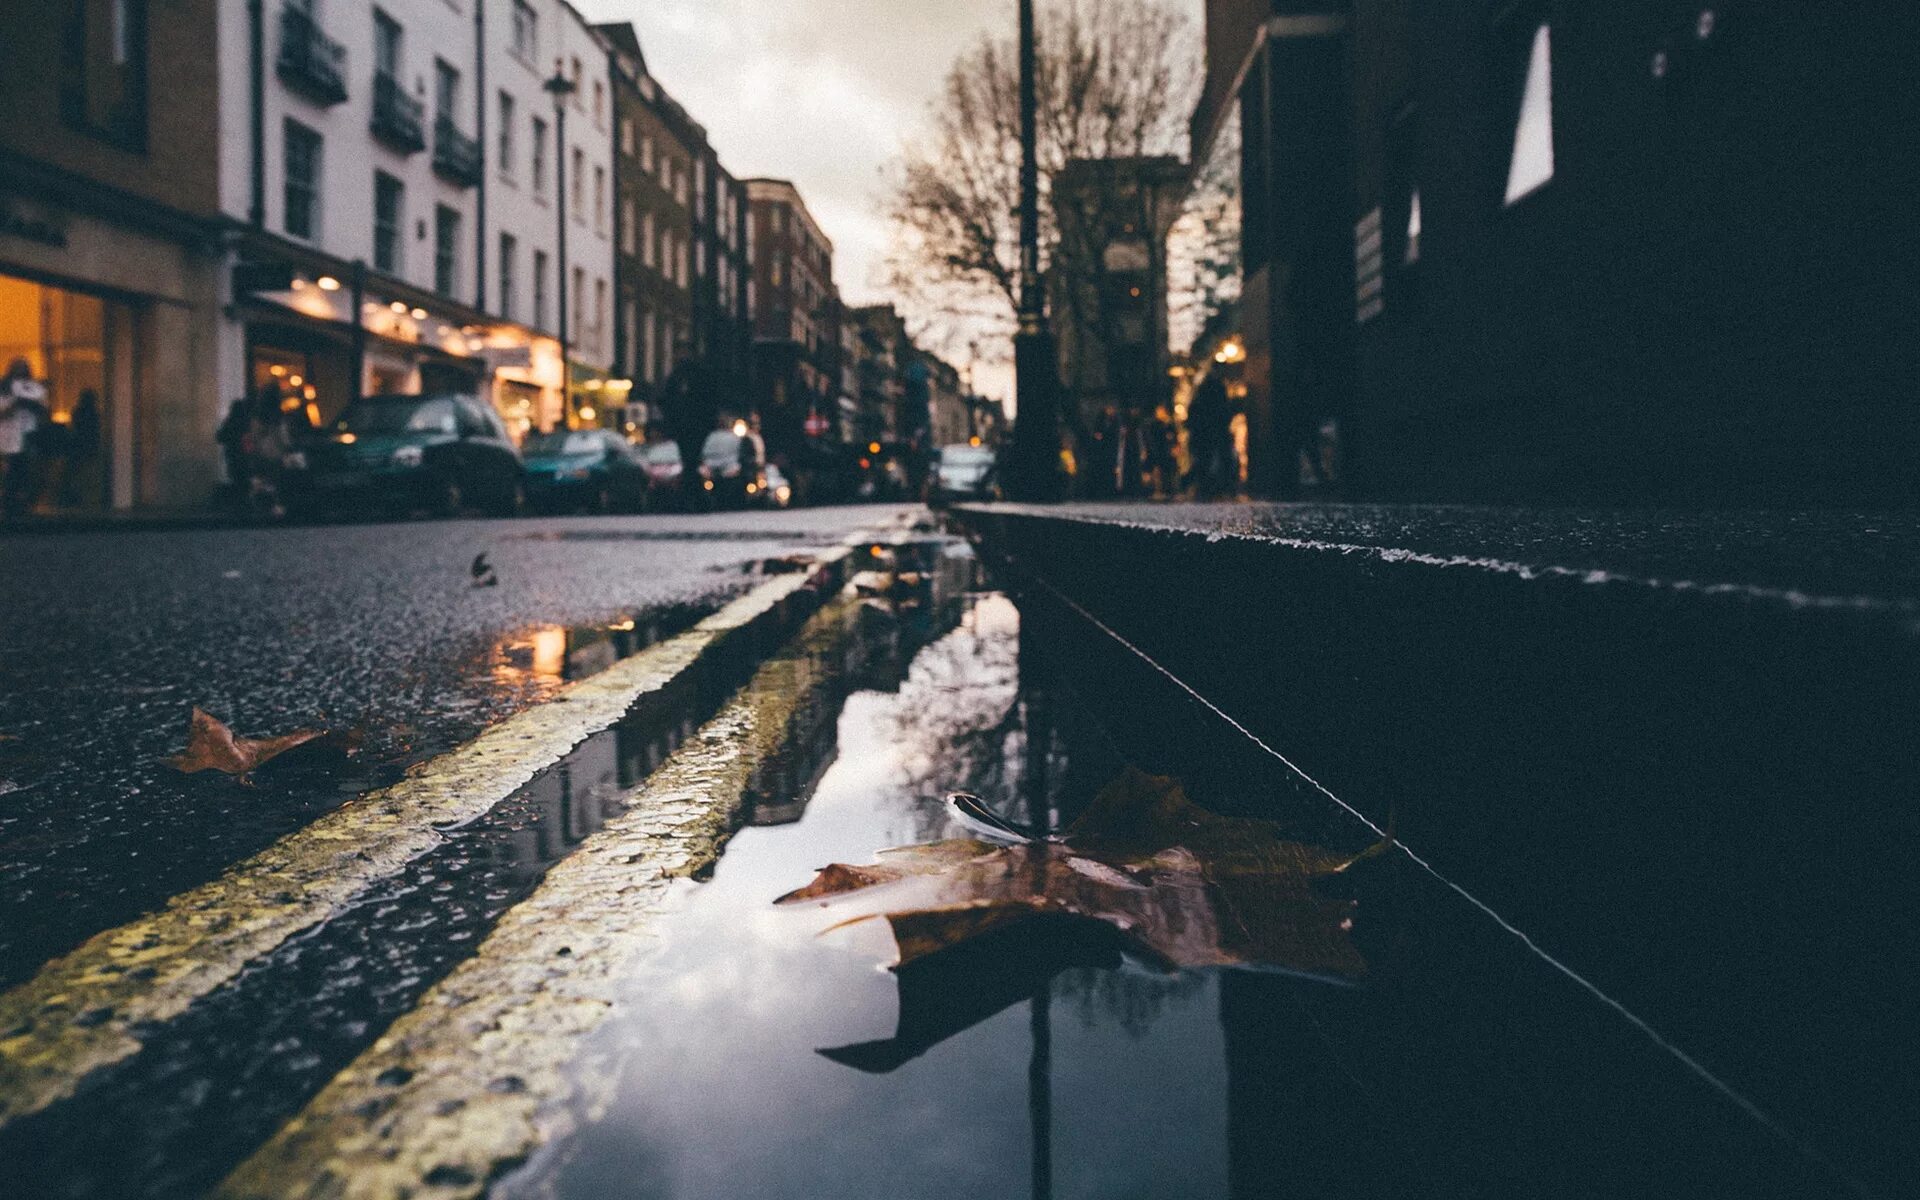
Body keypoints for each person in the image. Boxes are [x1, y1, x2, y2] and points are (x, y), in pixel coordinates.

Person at [1, 359, 50, 518]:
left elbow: (44, 411)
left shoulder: (34, 389)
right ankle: (9, 501)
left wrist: (35, 406)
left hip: (29, 435)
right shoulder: (5, 389)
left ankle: (24, 502)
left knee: (26, 470)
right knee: (10, 471)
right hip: (9, 436)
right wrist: (16, 403)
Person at [1186, 371, 1233, 500]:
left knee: (1203, 461)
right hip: (1215, 433)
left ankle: (1204, 487)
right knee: (1216, 460)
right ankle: (1218, 487)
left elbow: (1191, 418)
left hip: (1202, 434)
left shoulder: (1199, 399)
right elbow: (1226, 414)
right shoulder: (1219, 397)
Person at [58, 389, 102, 507]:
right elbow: (94, 432)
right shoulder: (93, 414)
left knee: (74, 473)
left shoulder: (78, 412)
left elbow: (74, 428)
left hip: (78, 445)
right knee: (84, 474)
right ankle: (78, 497)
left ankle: (70, 496)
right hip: (86, 446)